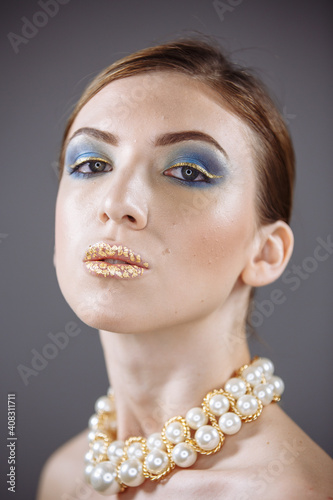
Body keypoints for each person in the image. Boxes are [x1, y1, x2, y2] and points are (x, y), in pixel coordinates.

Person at [37, 39, 332, 499]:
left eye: (188, 172)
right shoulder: (62, 477)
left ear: (265, 252)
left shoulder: (294, 492)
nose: (117, 205)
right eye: (92, 164)